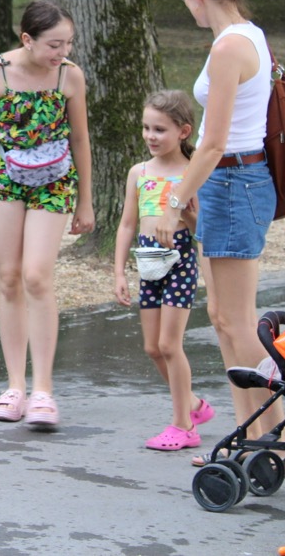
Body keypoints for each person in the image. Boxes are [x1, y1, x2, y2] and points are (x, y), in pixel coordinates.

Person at [158, 0, 284, 469]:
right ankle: (249, 432)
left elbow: (212, 140)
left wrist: (174, 199)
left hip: (234, 182)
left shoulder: (231, 44)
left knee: (236, 321)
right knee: (223, 317)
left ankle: (277, 435)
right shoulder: (246, 35)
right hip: (226, 184)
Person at [0, 0, 94, 429]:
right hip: (6, 179)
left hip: (55, 180)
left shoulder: (70, 76)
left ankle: (43, 390)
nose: (62, 51)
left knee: (37, 275)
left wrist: (86, 201)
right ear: (27, 39)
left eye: (68, 43)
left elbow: (81, 139)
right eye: (54, 44)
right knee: (8, 277)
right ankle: (14, 386)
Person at [113, 90, 215, 451]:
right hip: (148, 261)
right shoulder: (138, 173)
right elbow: (127, 224)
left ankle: (183, 425)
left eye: (160, 129)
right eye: (146, 128)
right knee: (153, 347)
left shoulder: (192, 172)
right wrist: (119, 272)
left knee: (170, 345)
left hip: (181, 261)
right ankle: (192, 404)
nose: (151, 136)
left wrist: (185, 214)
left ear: (183, 131)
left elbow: (201, 224)